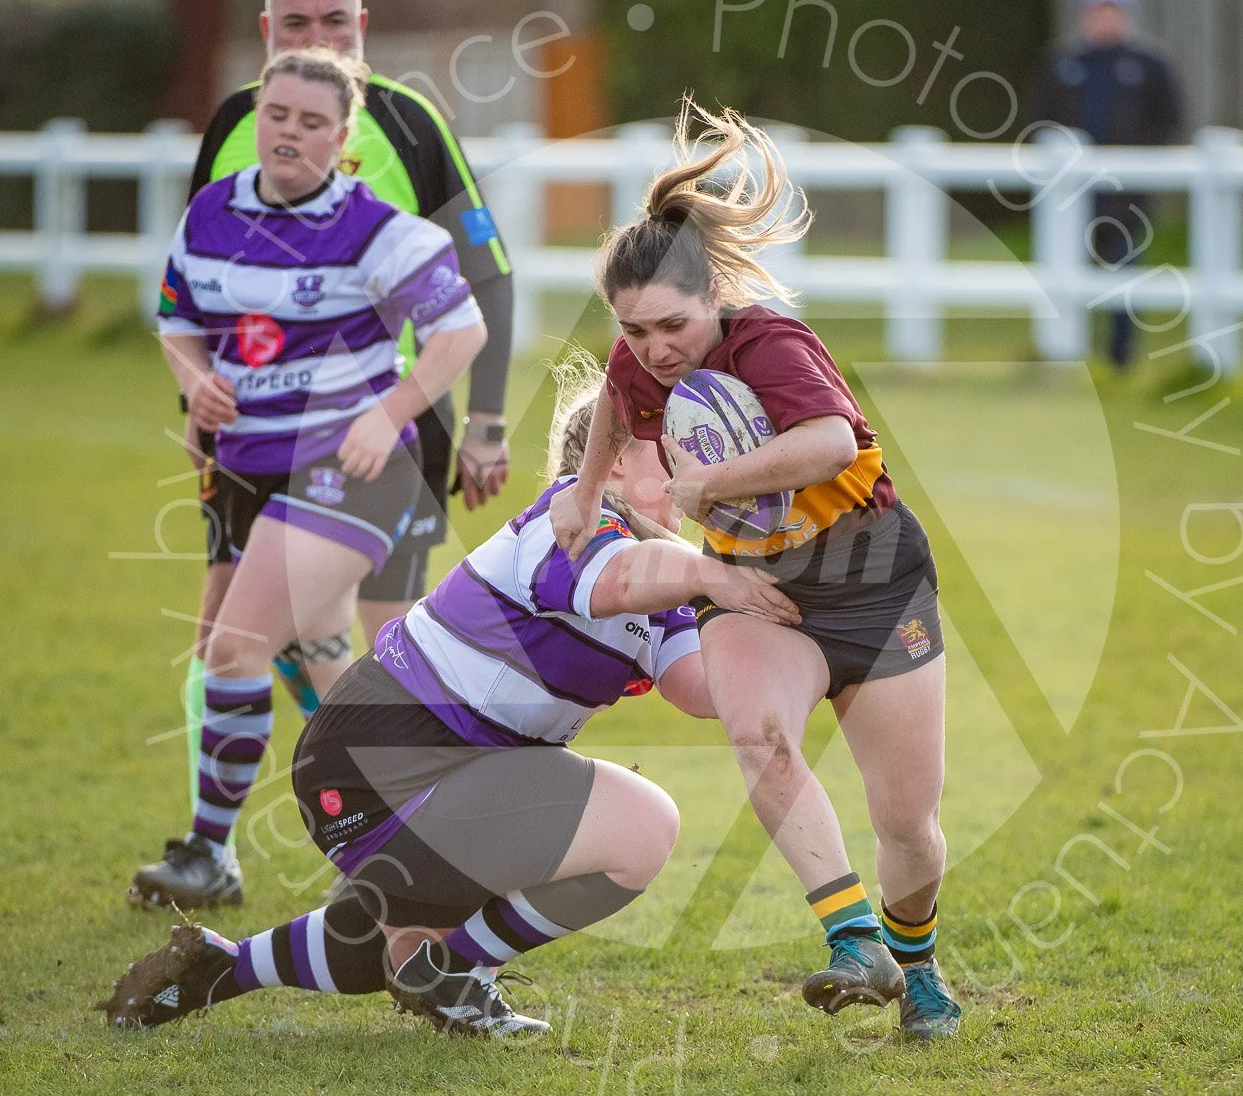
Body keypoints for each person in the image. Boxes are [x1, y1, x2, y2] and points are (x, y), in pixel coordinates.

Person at [99, 356, 799, 1038]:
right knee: (645, 825)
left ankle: (220, 968)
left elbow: (704, 690)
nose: (695, 473)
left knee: (401, 943)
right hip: (374, 765)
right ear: (611, 462)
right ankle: (451, 970)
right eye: (670, 450)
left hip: (419, 783)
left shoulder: (672, 585)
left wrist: (797, 626)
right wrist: (718, 574)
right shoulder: (570, 519)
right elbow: (617, 579)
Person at [550, 99, 962, 1042]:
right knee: (760, 738)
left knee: (909, 824)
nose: (656, 349)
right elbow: (615, 395)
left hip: (874, 576)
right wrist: (584, 490)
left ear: (714, 297)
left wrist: (710, 484)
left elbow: (829, 444)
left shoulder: (770, 341)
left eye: (672, 324)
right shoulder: (638, 359)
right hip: (758, 587)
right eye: (634, 329)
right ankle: (854, 940)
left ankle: (919, 964)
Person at [166, 0, 519, 902]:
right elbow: (198, 291)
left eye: (335, 24)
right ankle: (267, 842)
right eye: (297, 25)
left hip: (375, 434)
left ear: (361, 28)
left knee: (379, 644)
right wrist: (195, 401)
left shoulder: (407, 125)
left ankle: (418, 833)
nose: (318, 40)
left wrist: (484, 423)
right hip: (248, 442)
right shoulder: (233, 128)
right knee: (248, 640)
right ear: (266, 32)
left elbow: (485, 282)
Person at [1023, 0, 1184, 368]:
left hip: (1126, 195)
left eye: (1113, 12)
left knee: (1124, 271)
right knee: (1063, 270)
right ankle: (1064, 356)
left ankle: (1119, 360)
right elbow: (1038, 118)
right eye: (1098, 12)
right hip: (1070, 195)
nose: (1105, 20)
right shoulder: (1062, 63)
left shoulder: (1150, 65)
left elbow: (1169, 120)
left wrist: (1136, 160)